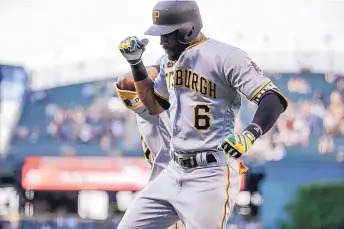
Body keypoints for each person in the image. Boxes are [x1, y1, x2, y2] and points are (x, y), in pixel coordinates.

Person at [117, 0, 288, 228]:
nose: (162, 41)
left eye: (168, 34)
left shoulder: (226, 56)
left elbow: (272, 98)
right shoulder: (167, 62)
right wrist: (136, 64)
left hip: (210, 175)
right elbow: (154, 106)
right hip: (174, 169)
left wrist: (250, 133)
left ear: (189, 29)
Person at [115, 56, 185, 229]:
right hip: (169, 186)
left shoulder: (183, 103)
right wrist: (158, 66)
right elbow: (126, 81)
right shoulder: (153, 108)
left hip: (189, 186)